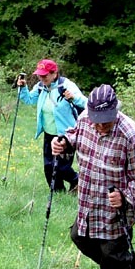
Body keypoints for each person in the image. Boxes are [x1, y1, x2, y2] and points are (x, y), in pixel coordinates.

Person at [52, 84, 135, 269]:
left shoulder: (131, 135)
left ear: (115, 111)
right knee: (79, 236)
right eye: (97, 121)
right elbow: (75, 137)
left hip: (115, 207)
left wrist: (126, 197)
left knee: (112, 251)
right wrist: (63, 144)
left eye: (106, 121)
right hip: (89, 198)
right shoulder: (85, 119)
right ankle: (123, 267)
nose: (100, 126)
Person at [17, 59, 86, 192]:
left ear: (54, 74)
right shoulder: (41, 87)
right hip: (49, 134)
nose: (42, 78)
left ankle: (77, 181)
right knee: (48, 167)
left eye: (45, 75)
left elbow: (85, 103)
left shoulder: (66, 85)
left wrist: (73, 98)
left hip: (66, 135)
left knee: (61, 167)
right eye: (39, 75)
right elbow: (29, 99)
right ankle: (58, 194)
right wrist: (22, 87)